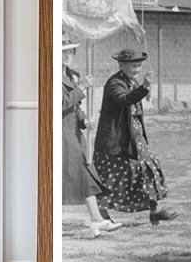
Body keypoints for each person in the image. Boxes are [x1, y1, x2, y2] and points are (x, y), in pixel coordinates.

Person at [93, 47, 177, 226]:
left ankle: (155, 210)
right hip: (114, 140)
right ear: (122, 65)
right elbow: (125, 100)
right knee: (109, 177)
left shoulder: (131, 80)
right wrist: (145, 87)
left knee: (148, 168)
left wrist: (143, 87)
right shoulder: (114, 83)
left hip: (134, 137)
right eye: (133, 66)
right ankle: (101, 215)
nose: (137, 69)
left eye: (139, 66)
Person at [62, 43, 122, 239]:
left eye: (70, 51)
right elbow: (58, 104)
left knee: (84, 174)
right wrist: (80, 88)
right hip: (59, 133)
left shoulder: (73, 75)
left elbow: (75, 107)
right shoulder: (50, 74)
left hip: (73, 134)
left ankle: (95, 220)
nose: (67, 55)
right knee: (76, 176)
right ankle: (95, 219)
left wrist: (83, 120)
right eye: (63, 51)